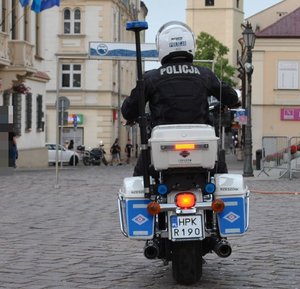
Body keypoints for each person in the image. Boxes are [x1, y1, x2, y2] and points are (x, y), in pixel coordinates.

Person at [121, 21, 239, 176]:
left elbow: (128, 111)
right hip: (201, 143)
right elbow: (230, 97)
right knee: (221, 178)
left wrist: (133, 113)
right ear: (191, 45)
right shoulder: (205, 75)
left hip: (162, 145)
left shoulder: (151, 78)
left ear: (161, 48)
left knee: (140, 181)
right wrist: (234, 101)